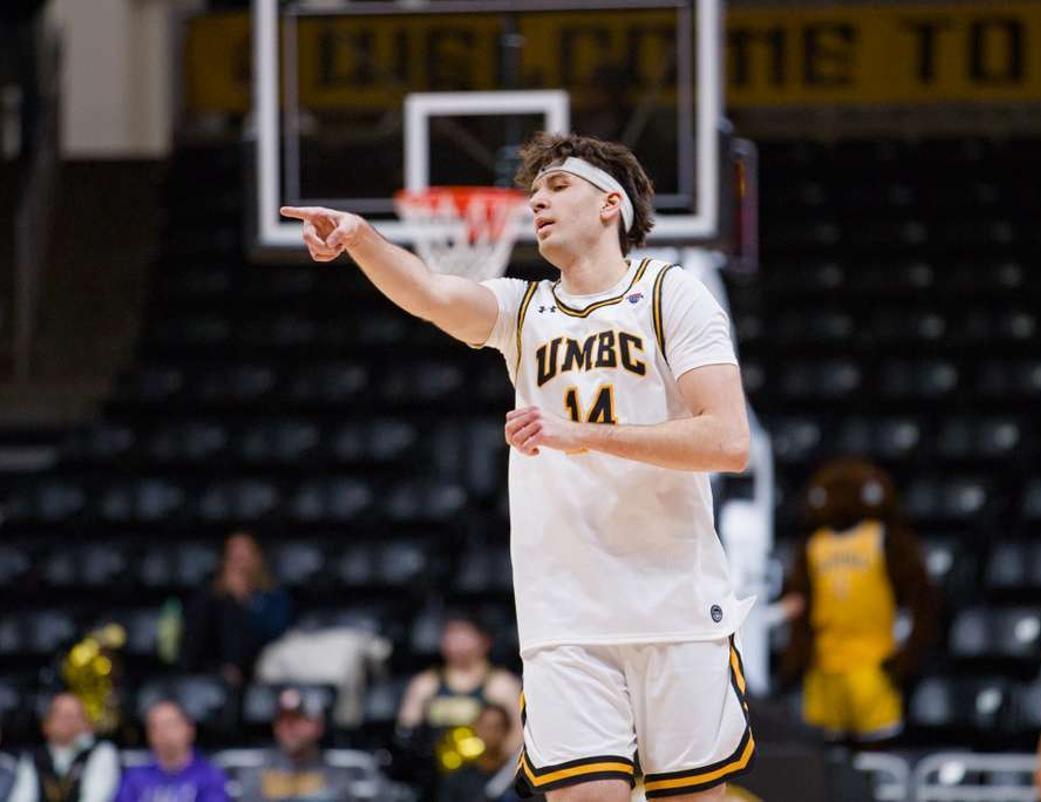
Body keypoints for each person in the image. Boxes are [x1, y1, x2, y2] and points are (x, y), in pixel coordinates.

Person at [283, 130, 755, 801]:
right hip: (564, 619)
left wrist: (581, 434)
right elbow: (429, 291)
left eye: (558, 187)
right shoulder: (523, 309)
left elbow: (727, 440)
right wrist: (362, 239)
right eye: (533, 193)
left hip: (674, 609)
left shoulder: (670, 294)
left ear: (610, 205)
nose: (537, 202)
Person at [779, 458, 937, 744]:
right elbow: (800, 609)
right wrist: (798, 657)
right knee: (825, 749)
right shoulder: (814, 545)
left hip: (873, 663)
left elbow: (920, 597)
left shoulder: (882, 538)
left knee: (878, 746)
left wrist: (905, 659)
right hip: (824, 664)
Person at [398, 611, 522, 753]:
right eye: (451, 636)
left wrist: (498, 760)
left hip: (489, 763)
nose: (457, 644)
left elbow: (519, 732)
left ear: (485, 641)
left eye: (464, 636)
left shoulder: (502, 684)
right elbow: (407, 729)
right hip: (434, 762)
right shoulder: (425, 683)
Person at [181, 531, 292, 687]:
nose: (240, 564)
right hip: (216, 674)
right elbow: (194, 645)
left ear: (257, 558)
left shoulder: (273, 595)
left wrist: (243, 601)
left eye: (245, 556)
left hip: (264, 670)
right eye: (234, 557)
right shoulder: (209, 599)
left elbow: (277, 634)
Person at [236, 688, 357, 802]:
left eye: (298, 719)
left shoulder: (336, 777)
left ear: (318, 726)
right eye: (283, 719)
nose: (289, 727)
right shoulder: (256, 774)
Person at [9, 692, 121, 802]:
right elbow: (22, 797)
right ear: (46, 724)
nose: (69, 722)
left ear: (87, 724)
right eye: (62, 715)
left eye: (76, 716)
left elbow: (96, 798)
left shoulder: (101, 752)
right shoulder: (33, 757)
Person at [113, 700, 228, 802]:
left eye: (169, 724)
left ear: (189, 729)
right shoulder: (134, 778)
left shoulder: (210, 776)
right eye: (155, 726)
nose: (163, 732)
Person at [438, 703, 521, 802]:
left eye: (497, 727)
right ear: (476, 728)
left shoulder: (518, 777)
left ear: (507, 730)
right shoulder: (458, 778)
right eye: (486, 727)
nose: (491, 733)